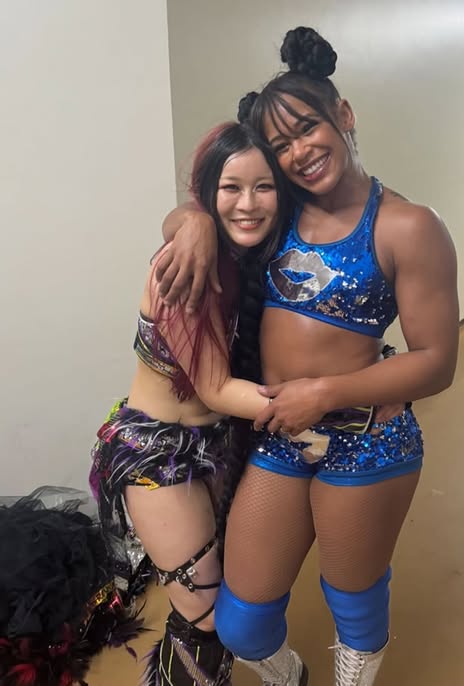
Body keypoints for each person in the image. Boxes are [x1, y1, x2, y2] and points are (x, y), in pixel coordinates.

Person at [158, 27, 459, 686]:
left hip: (367, 442)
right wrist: (195, 223)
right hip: (282, 437)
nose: (298, 153)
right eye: (281, 145)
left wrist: (324, 393)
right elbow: (212, 203)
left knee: (353, 604)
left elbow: (437, 361)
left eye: (307, 129)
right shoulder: (280, 208)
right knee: (242, 623)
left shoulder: (407, 226)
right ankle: (288, 676)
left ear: (342, 115)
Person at [89, 119, 299, 686]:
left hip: (218, 444)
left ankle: (280, 671)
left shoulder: (252, 255)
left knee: (227, 597)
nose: (248, 204)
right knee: (203, 616)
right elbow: (213, 387)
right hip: (157, 457)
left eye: (263, 187)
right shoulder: (184, 267)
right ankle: (284, 674)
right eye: (231, 188)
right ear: (208, 192)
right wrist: (330, 404)